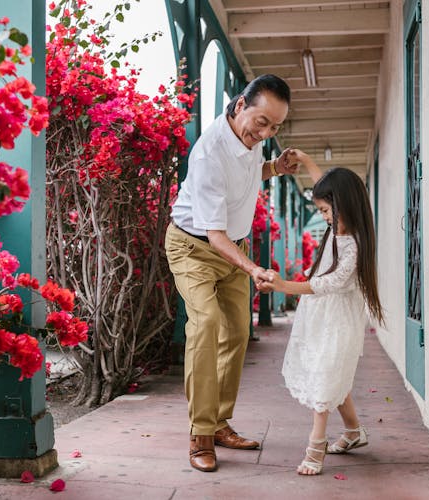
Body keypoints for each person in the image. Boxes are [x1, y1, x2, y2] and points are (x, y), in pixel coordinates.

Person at [164, 74, 298, 472]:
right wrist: (253, 267)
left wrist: (276, 166)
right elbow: (214, 235)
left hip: (231, 250)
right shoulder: (208, 152)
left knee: (238, 332)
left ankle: (220, 423)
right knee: (204, 324)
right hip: (193, 248)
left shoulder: (251, 137)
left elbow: (249, 174)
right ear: (241, 105)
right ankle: (200, 435)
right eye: (262, 123)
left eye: (275, 127)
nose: (266, 132)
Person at [258, 151, 385, 476]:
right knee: (331, 376)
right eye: (321, 210)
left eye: (326, 211)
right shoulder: (338, 226)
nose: (324, 216)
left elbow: (327, 285)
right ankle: (354, 433)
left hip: (338, 322)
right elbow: (324, 187)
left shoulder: (353, 243)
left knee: (325, 379)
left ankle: (315, 448)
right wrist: (305, 158)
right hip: (321, 318)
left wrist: (284, 286)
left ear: (343, 206)